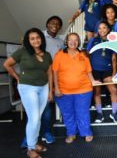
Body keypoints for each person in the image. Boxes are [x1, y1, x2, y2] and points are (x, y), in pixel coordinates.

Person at [3, 28, 53, 158]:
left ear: (41, 39)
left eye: (38, 37)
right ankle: (30, 149)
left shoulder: (47, 54)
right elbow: (7, 64)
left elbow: (49, 73)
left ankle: (34, 143)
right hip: (27, 87)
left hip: (43, 87)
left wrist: (50, 90)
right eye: (32, 38)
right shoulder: (22, 52)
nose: (36, 40)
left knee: (37, 118)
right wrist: (17, 77)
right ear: (28, 40)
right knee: (34, 119)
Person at [20, 16, 64, 148]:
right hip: (32, 80)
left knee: (46, 110)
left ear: (60, 27)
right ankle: (29, 138)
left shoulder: (60, 42)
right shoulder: (38, 36)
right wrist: (19, 77)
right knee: (32, 112)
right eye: (52, 23)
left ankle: (46, 132)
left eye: (57, 24)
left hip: (47, 79)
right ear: (47, 24)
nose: (54, 25)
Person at [53, 33, 99, 144]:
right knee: (68, 113)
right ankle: (71, 133)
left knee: (82, 112)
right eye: (70, 40)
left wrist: (93, 81)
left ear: (78, 42)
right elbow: (55, 72)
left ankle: (86, 132)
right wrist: (57, 88)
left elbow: (88, 71)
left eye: (76, 40)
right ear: (66, 41)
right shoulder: (59, 55)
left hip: (84, 89)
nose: (73, 42)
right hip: (64, 91)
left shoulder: (83, 55)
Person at [87, 21, 117, 123]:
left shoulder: (112, 41)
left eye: (104, 28)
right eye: (100, 28)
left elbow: (114, 58)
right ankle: (99, 114)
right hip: (95, 70)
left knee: (114, 90)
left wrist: (115, 73)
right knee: (97, 92)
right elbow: (87, 55)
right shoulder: (93, 40)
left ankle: (114, 113)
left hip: (107, 70)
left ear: (108, 29)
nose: (102, 30)